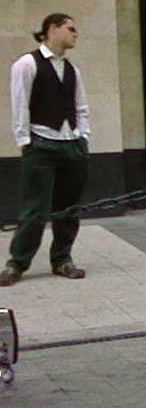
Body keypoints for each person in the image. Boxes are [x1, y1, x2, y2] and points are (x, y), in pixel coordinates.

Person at [1, 14, 90, 286]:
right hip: (42, 143)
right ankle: (17, 263)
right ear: (52, 29)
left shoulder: (73, 70)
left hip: (72, 144)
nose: (76, 34)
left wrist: (83, 137)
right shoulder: (27, 64)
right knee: (35, 209)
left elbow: (81, 107)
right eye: (71, 28)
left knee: (69, 208)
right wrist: (25, 141)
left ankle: (62, 259)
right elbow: (20, 103)